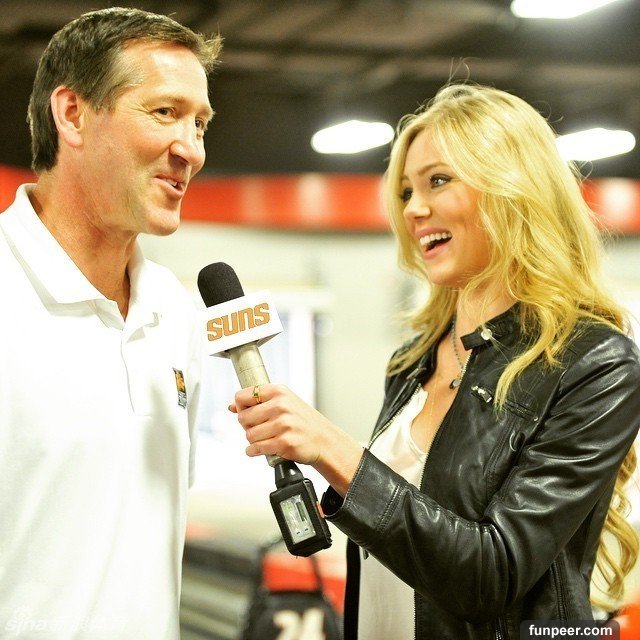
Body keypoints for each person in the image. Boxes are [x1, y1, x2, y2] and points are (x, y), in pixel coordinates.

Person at [232, 84, 640, 639]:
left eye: (438, 181)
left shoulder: (593, 362)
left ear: (513, 188)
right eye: (406, 191)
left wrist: (332, 449)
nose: (414, 208)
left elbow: (491, 576)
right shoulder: (413, 361)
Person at [0, 8, 221, 639]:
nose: (191, 149)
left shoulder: (174, 313)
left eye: (200, 123)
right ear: (72, 114)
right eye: (165, 112)